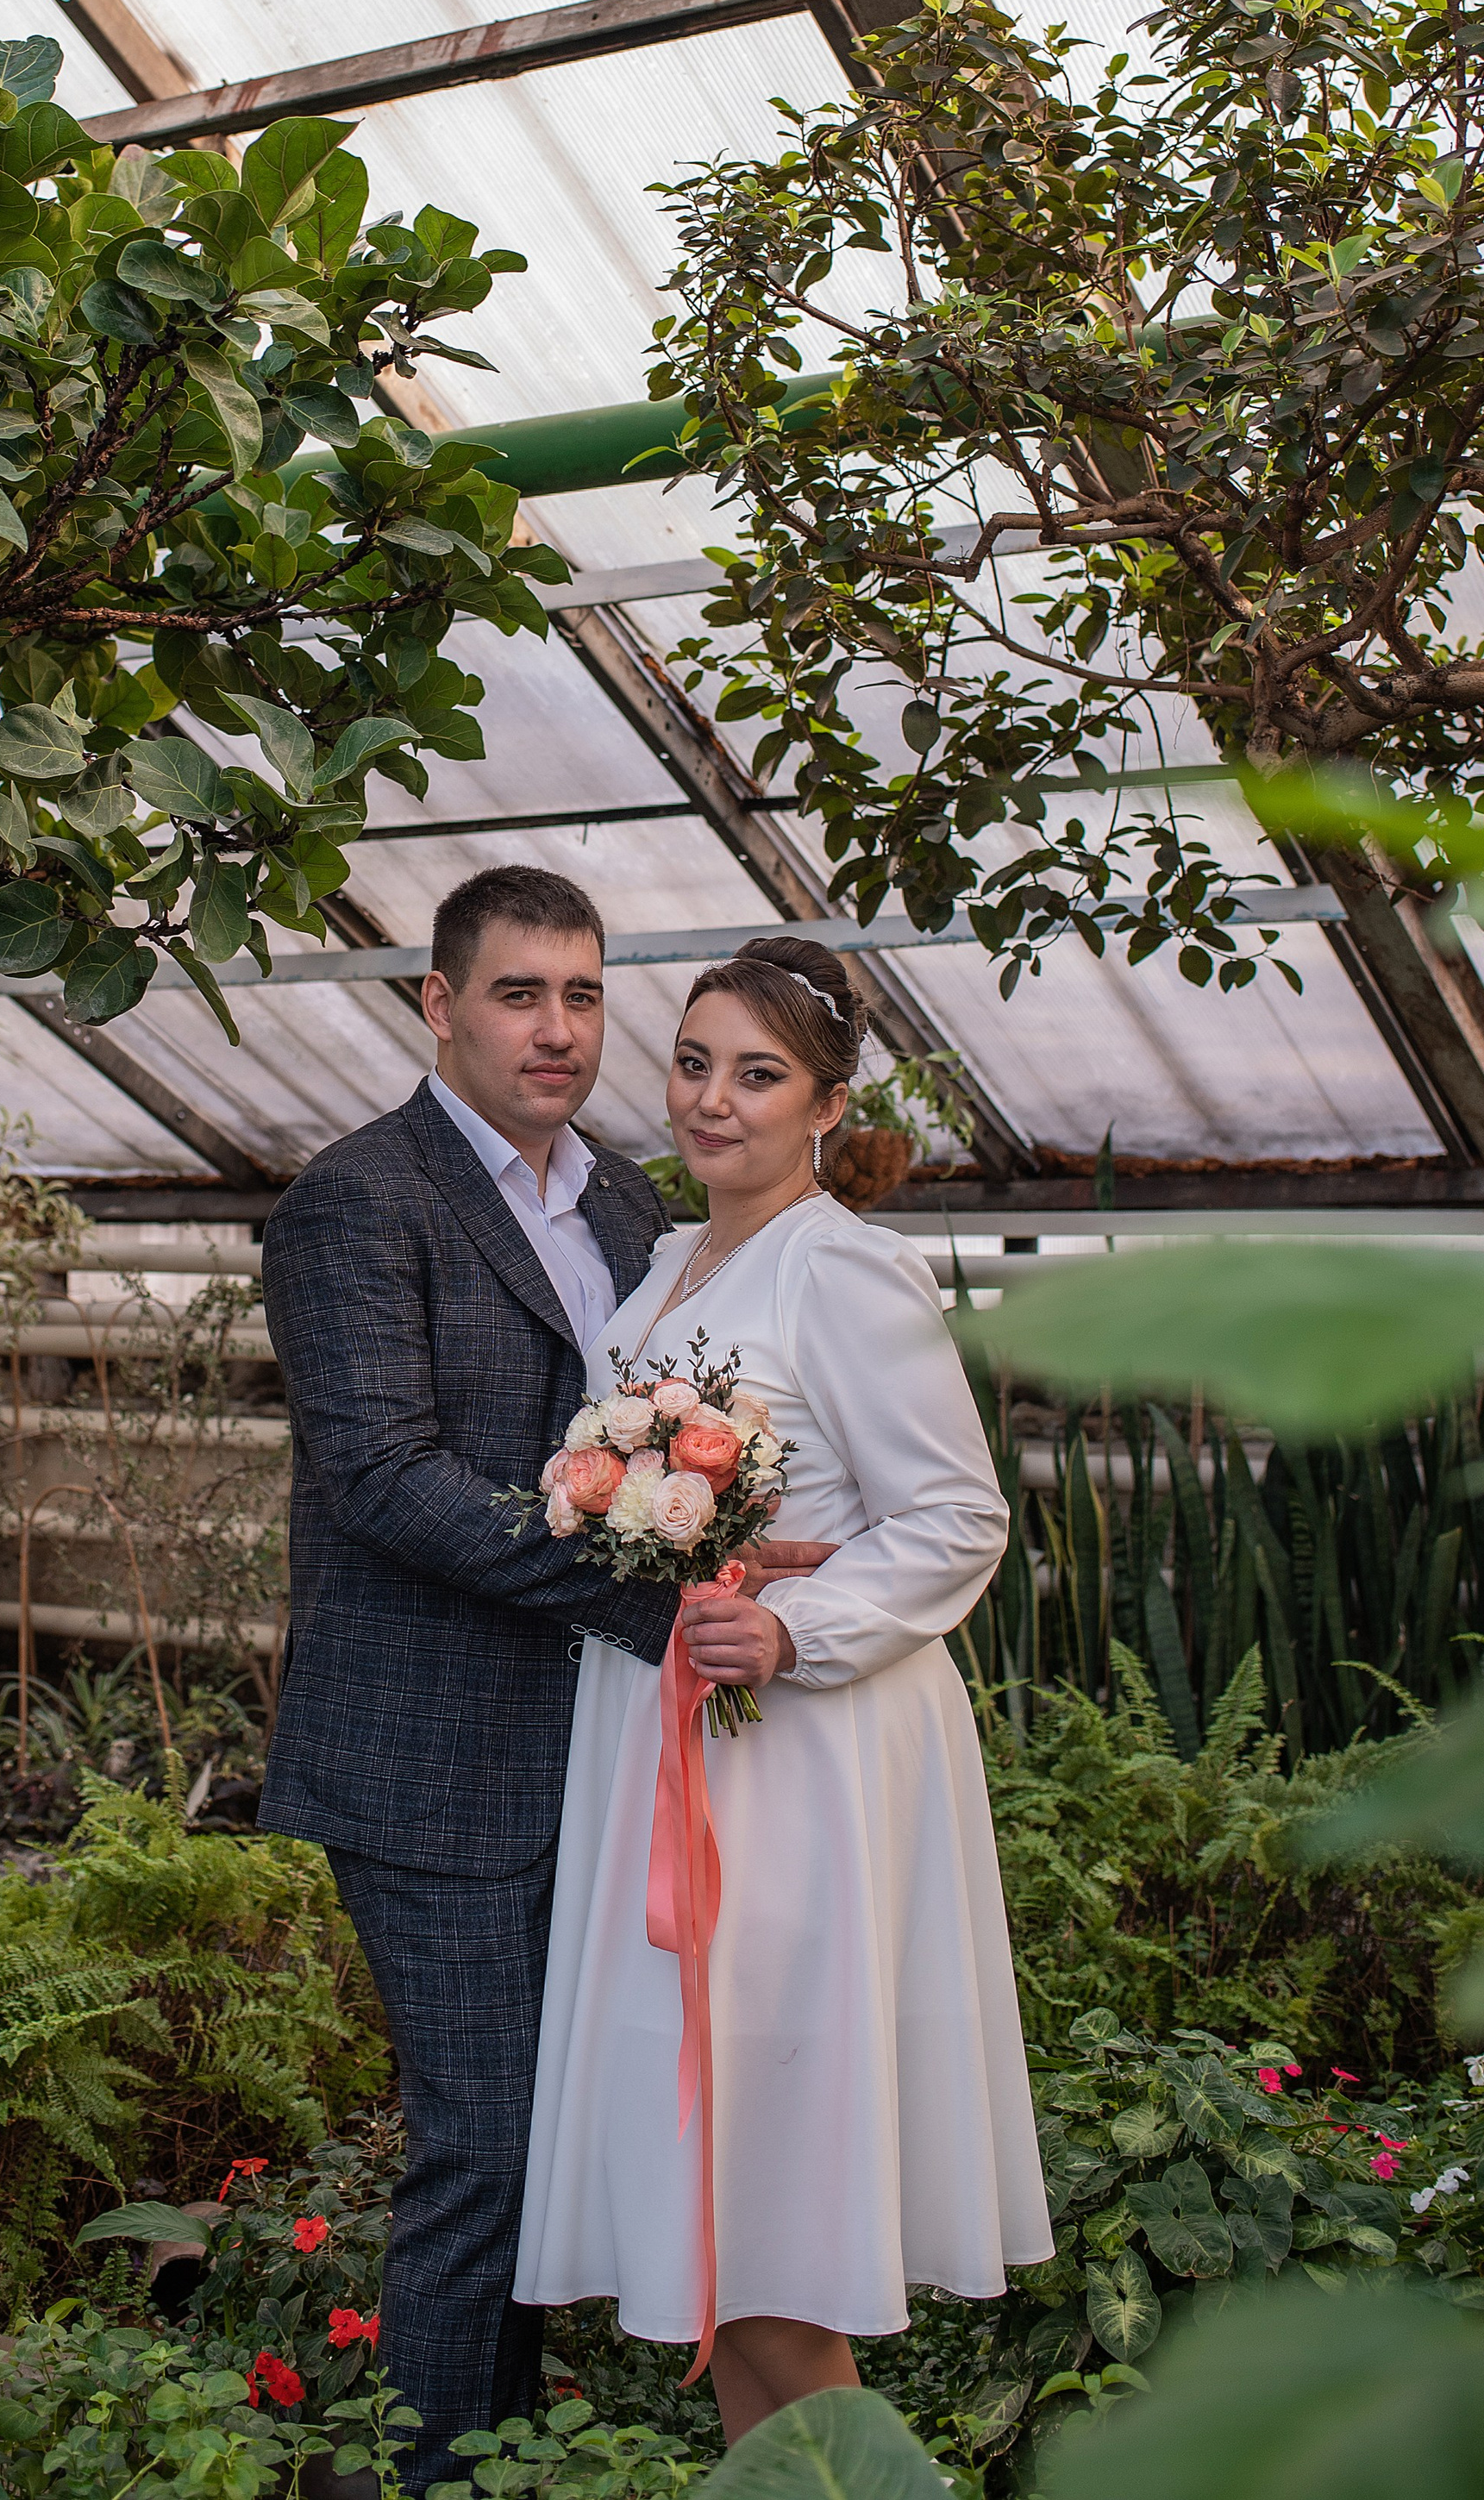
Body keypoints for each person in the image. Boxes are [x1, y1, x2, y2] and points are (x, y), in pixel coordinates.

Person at [259, 868, 829, 2486]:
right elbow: (386, 1476)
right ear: (438, 1005)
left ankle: (510, 2453)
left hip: (600, 1753)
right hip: (432, 1759)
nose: (558, 1027)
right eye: (520, 993)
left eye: (583, 993)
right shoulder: (358, 1202)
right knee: (485, 2152)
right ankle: (435, 2473)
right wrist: (659, 1598)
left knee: (576, 2145)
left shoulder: (640, 1205)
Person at [514, 931, 1053, 2440]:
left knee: (772, 2210)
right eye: (693, 1063)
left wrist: (802, 1625)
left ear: (825, 1104)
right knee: (715, 2209)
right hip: (665, 1741)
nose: (711, 1099)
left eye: (756, 1075)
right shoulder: (670, 1263)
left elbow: (958, 1514)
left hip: (794, 1765)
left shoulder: (849, 1268)